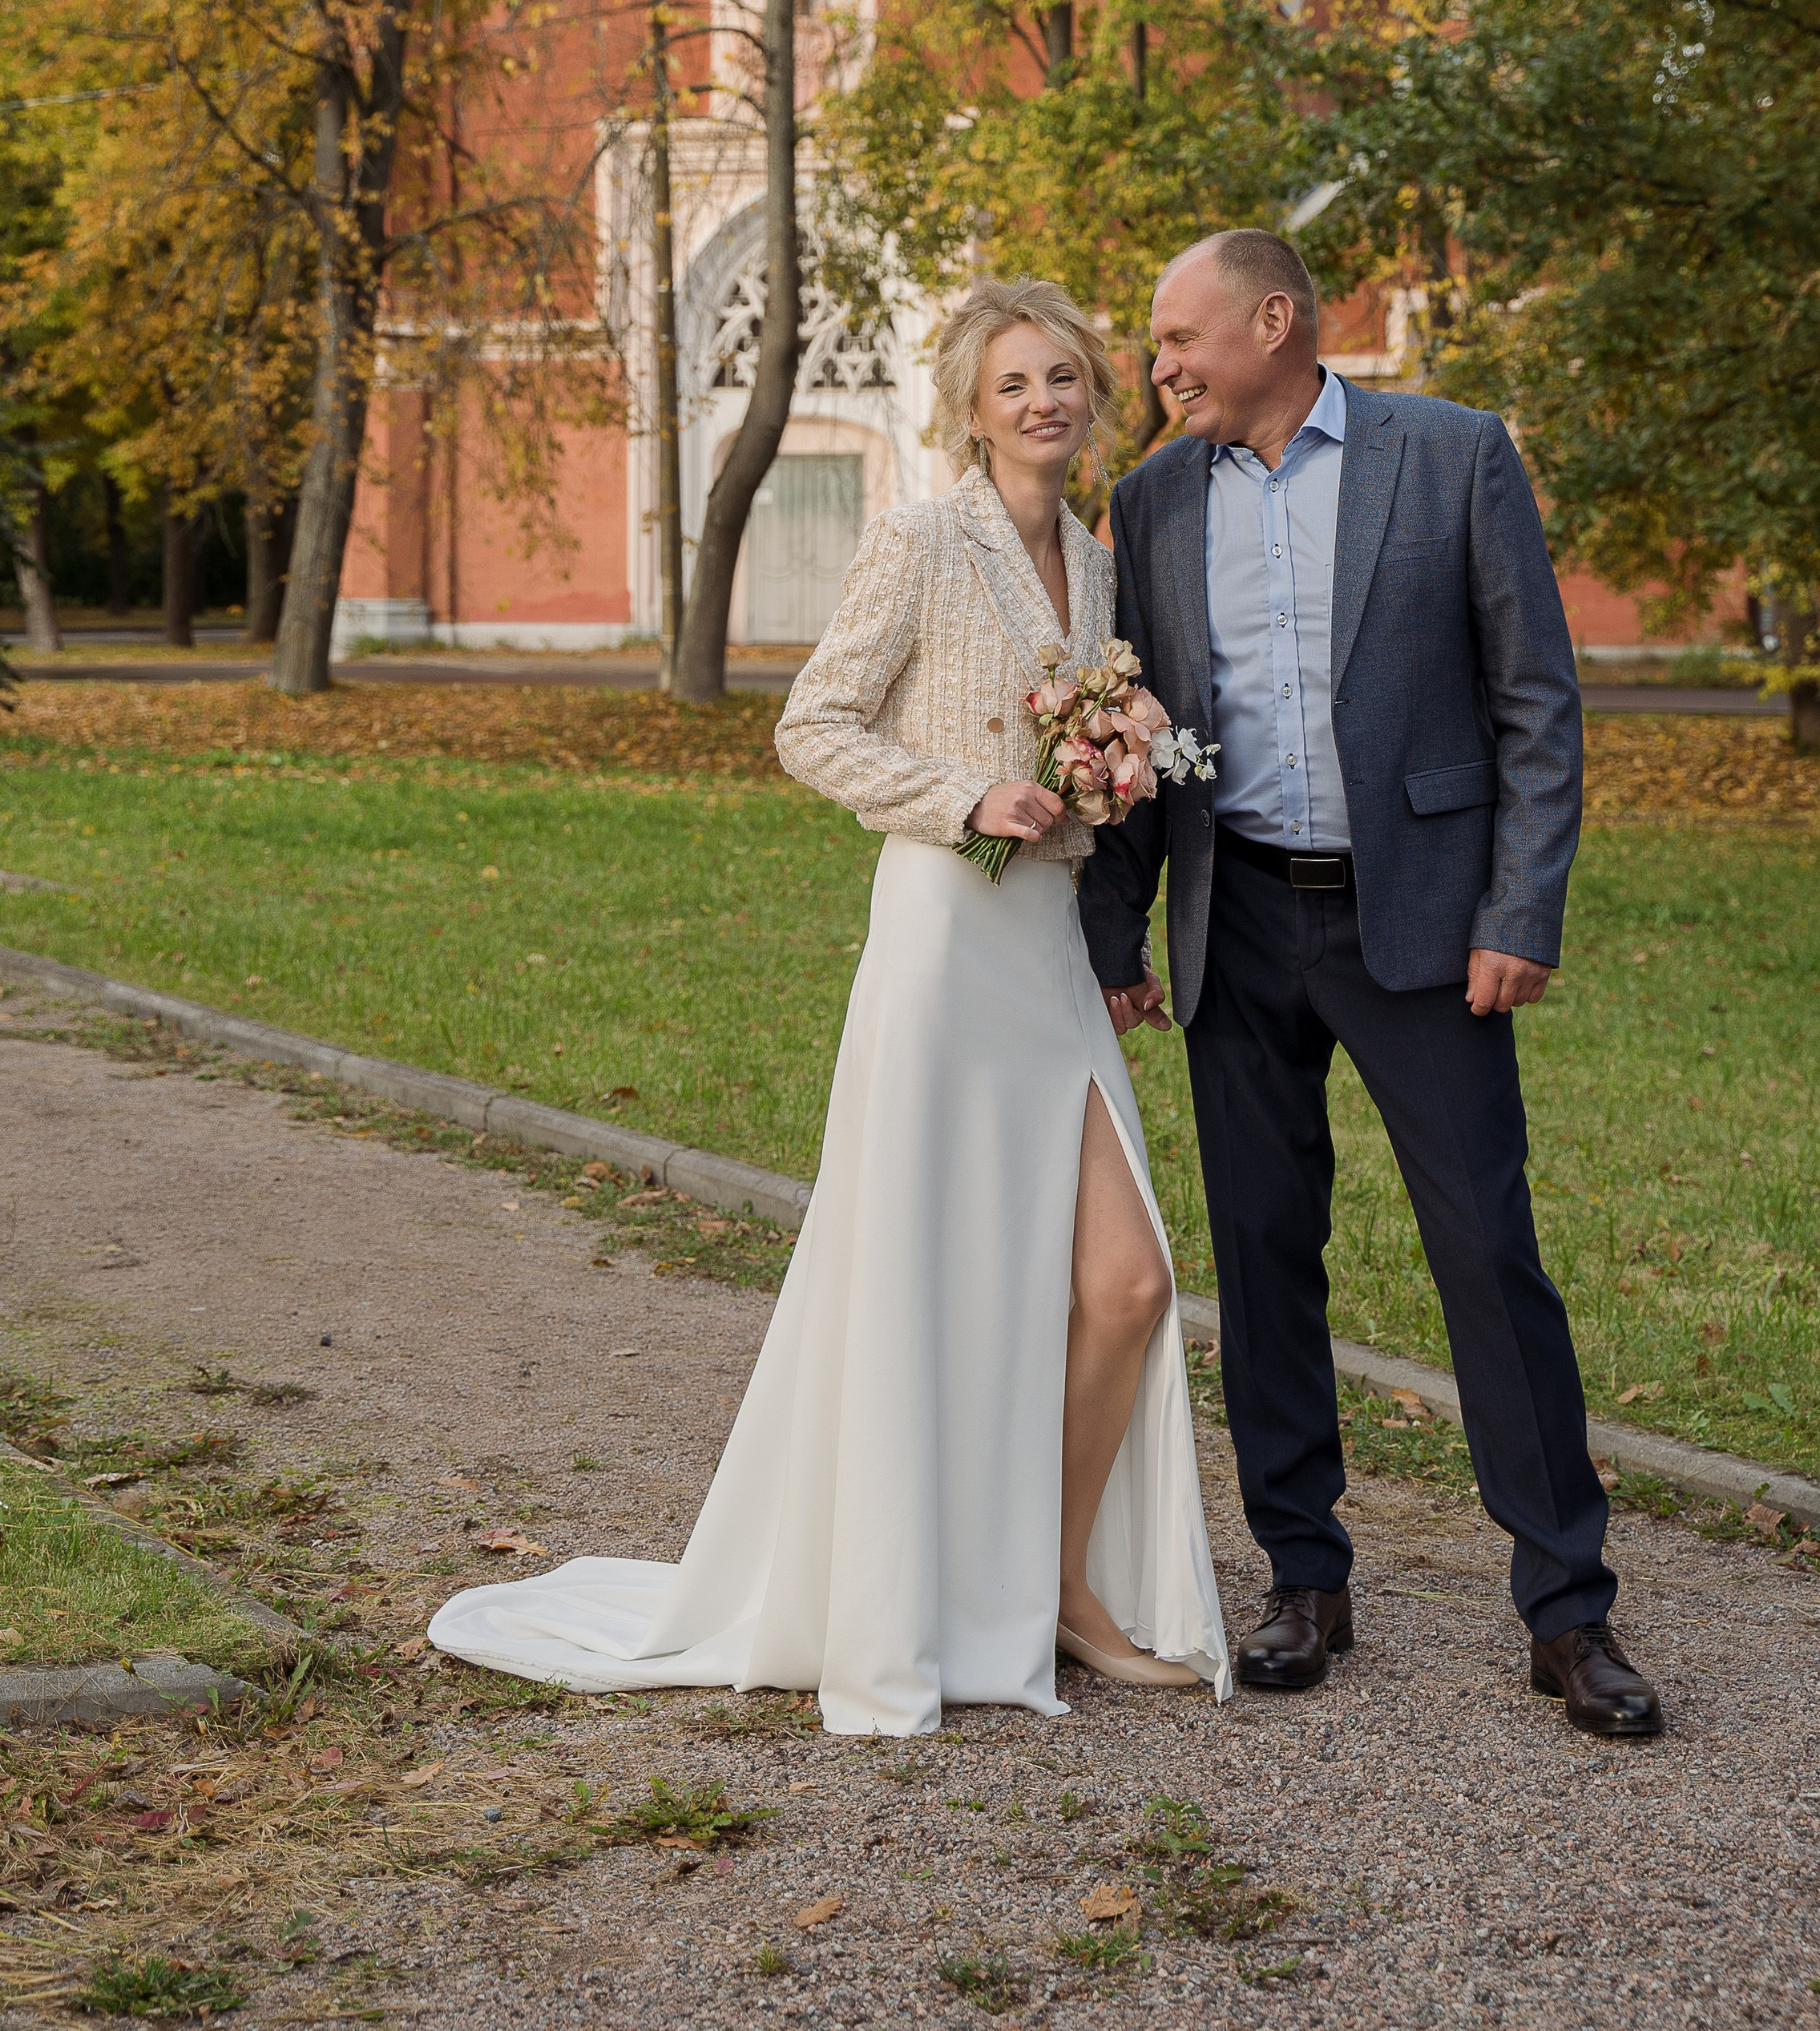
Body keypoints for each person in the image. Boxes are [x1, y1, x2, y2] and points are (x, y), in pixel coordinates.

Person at [430, 276, 1229, 1733]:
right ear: (967, 412)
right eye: (1012, 386)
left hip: (1045, 947)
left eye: (1062, 378)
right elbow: (814, 728)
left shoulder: (1102, 568)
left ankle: (1053, 1585)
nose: (1043, 403)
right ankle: (933, 1592)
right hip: (942, 942)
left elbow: (1087, 760)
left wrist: (1132, 763)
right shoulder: (923, 537)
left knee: (1125, 1286)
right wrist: (959, 796)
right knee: (938, 1283)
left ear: (1093, 396)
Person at [1080, 229, 1663, 1741]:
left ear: (1274, 322)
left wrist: (1518, 906)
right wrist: (1115, 936)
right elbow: (1130, 740)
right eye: (1154, 348)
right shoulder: (1148, 501)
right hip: (1241, 920)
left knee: (1490, 1256)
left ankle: (1567, 1611)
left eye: (1177, 338)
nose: (1159, 368)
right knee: (1266, 1262)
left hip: (1423, 931)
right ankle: (1303, 1579)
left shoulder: (1452, 455)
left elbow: (1537, 700)